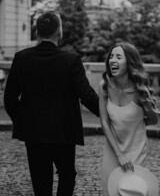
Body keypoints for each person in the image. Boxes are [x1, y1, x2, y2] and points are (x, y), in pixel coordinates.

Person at [4, 11, 99, 196]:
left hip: (33, 133)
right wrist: (108, 113)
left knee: (40, 181)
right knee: (67, 174)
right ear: (59, 31)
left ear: (37, 32)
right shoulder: (71, 59)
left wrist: (23, 123)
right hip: (64, 133)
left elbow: (9, 99)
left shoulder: (22, 58)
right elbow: (86, 95)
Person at [98, 42, 159, 196]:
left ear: (130, 62)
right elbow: (105, 122)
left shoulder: (140, 90)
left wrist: (147, 106)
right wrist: (119, 154)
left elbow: (153, 120)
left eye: (119, 57)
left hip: (135, 149)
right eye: (111, 56)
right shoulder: (104, 86)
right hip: (113, 149)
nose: (113, 60)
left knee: (131, 190)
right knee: (110, 189)